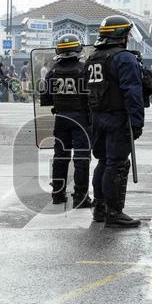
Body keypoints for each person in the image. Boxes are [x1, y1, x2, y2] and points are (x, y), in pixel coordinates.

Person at [84, 15, 145, 228]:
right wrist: (137, 122)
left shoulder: (94, 58)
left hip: (98, 118)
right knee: (116, 164)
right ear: (120, 36)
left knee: (103, 162)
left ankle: (99, 209)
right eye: (126, 34)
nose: (128, 38)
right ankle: (114, 212)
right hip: (118, 118)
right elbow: (132, 92)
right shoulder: (124, 58)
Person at [39, 34, 92, 208]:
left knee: (60, 156)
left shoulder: (52, 72)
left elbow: (45, 99)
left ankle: (57, 195)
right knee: (82, 158)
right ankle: (80, 197)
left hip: (61, 118)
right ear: (78, 50)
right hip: (81, 119)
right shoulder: (85, 70)